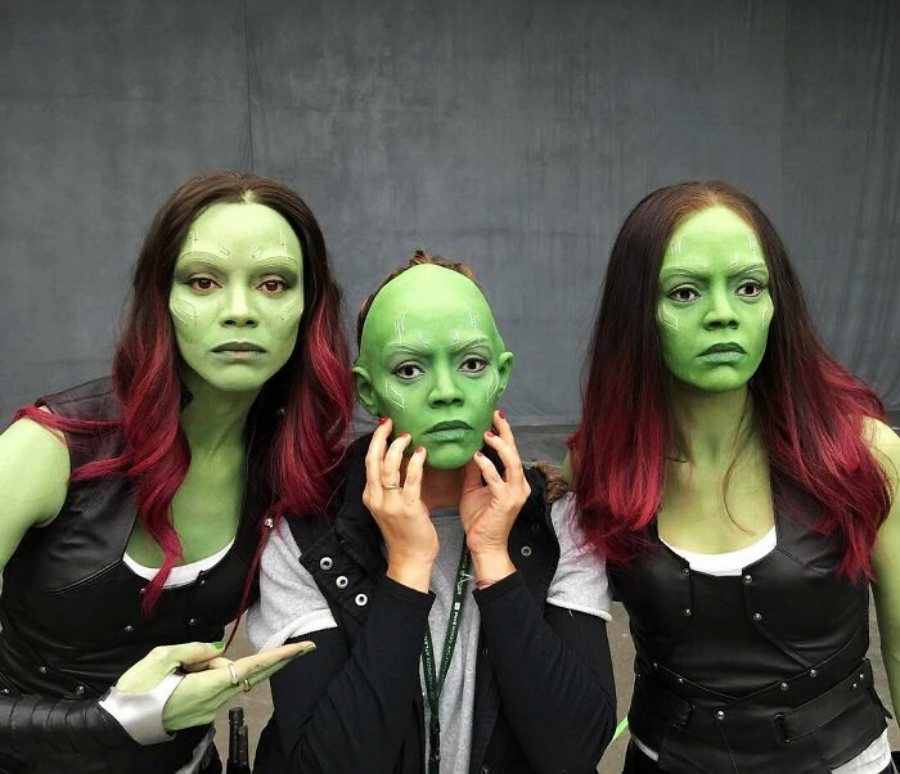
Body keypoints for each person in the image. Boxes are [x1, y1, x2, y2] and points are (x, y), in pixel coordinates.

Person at [0, 171, 354, 774]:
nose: (240, 312)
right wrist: (114, 720)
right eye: (204, 281)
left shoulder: (294, 464)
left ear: (307, 306)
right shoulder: (50, 447)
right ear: (161, 297)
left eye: (273, 283)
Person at [567, 181, 900, 774]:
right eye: (685, 292)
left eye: (748, 287)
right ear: (637, 311)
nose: (723, 314)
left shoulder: (864, 456)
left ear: (776, 303)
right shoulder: (599, 470)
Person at [248, 252, 617, 773]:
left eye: (472, 364)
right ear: (368, 390)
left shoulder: (557, 522)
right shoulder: (306, 537)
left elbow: (574, 750)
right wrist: (406, 569)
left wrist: (494, 558)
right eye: (409, 370)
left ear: (502, 374)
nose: (446, 393)